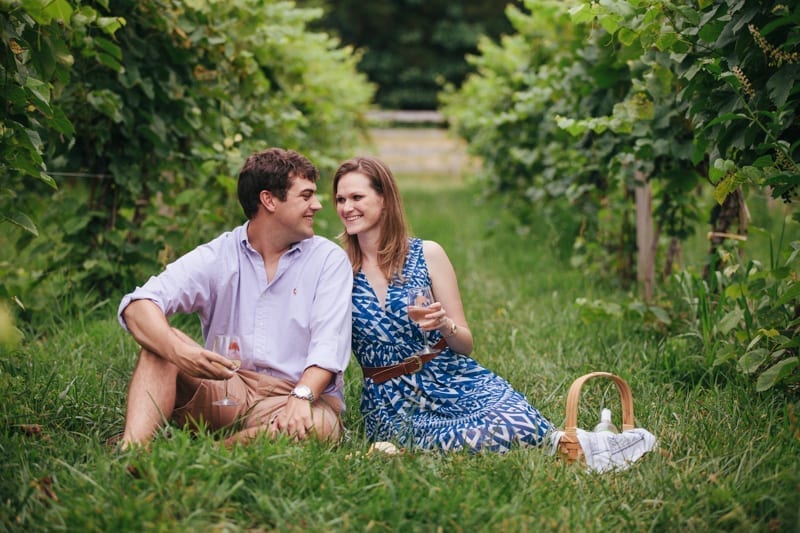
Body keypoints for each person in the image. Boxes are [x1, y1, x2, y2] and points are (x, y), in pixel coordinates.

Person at [117, 147, 352, 448]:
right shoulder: (220, 255)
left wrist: (301, 396)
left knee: (320, 426)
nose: (317, 206)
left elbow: (328, 348)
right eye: (305, 196)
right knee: (160, 345)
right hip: (226, 389)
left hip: (293, 397)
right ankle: (133, 450)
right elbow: (138, 304)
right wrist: (179, 351)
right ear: (269, 200)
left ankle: (210, 454)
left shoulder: (328, 260)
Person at [333, 156, 553, 453]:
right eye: (340, 199)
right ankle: (407, 449)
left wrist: (445, 325)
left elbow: (465, 344)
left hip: (451, 376)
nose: (347, 208)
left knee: (524, 425)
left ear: (384, 200)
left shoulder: (428, 254)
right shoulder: (338, 268)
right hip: (392, 397)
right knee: (466, 438)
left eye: (357, 197)